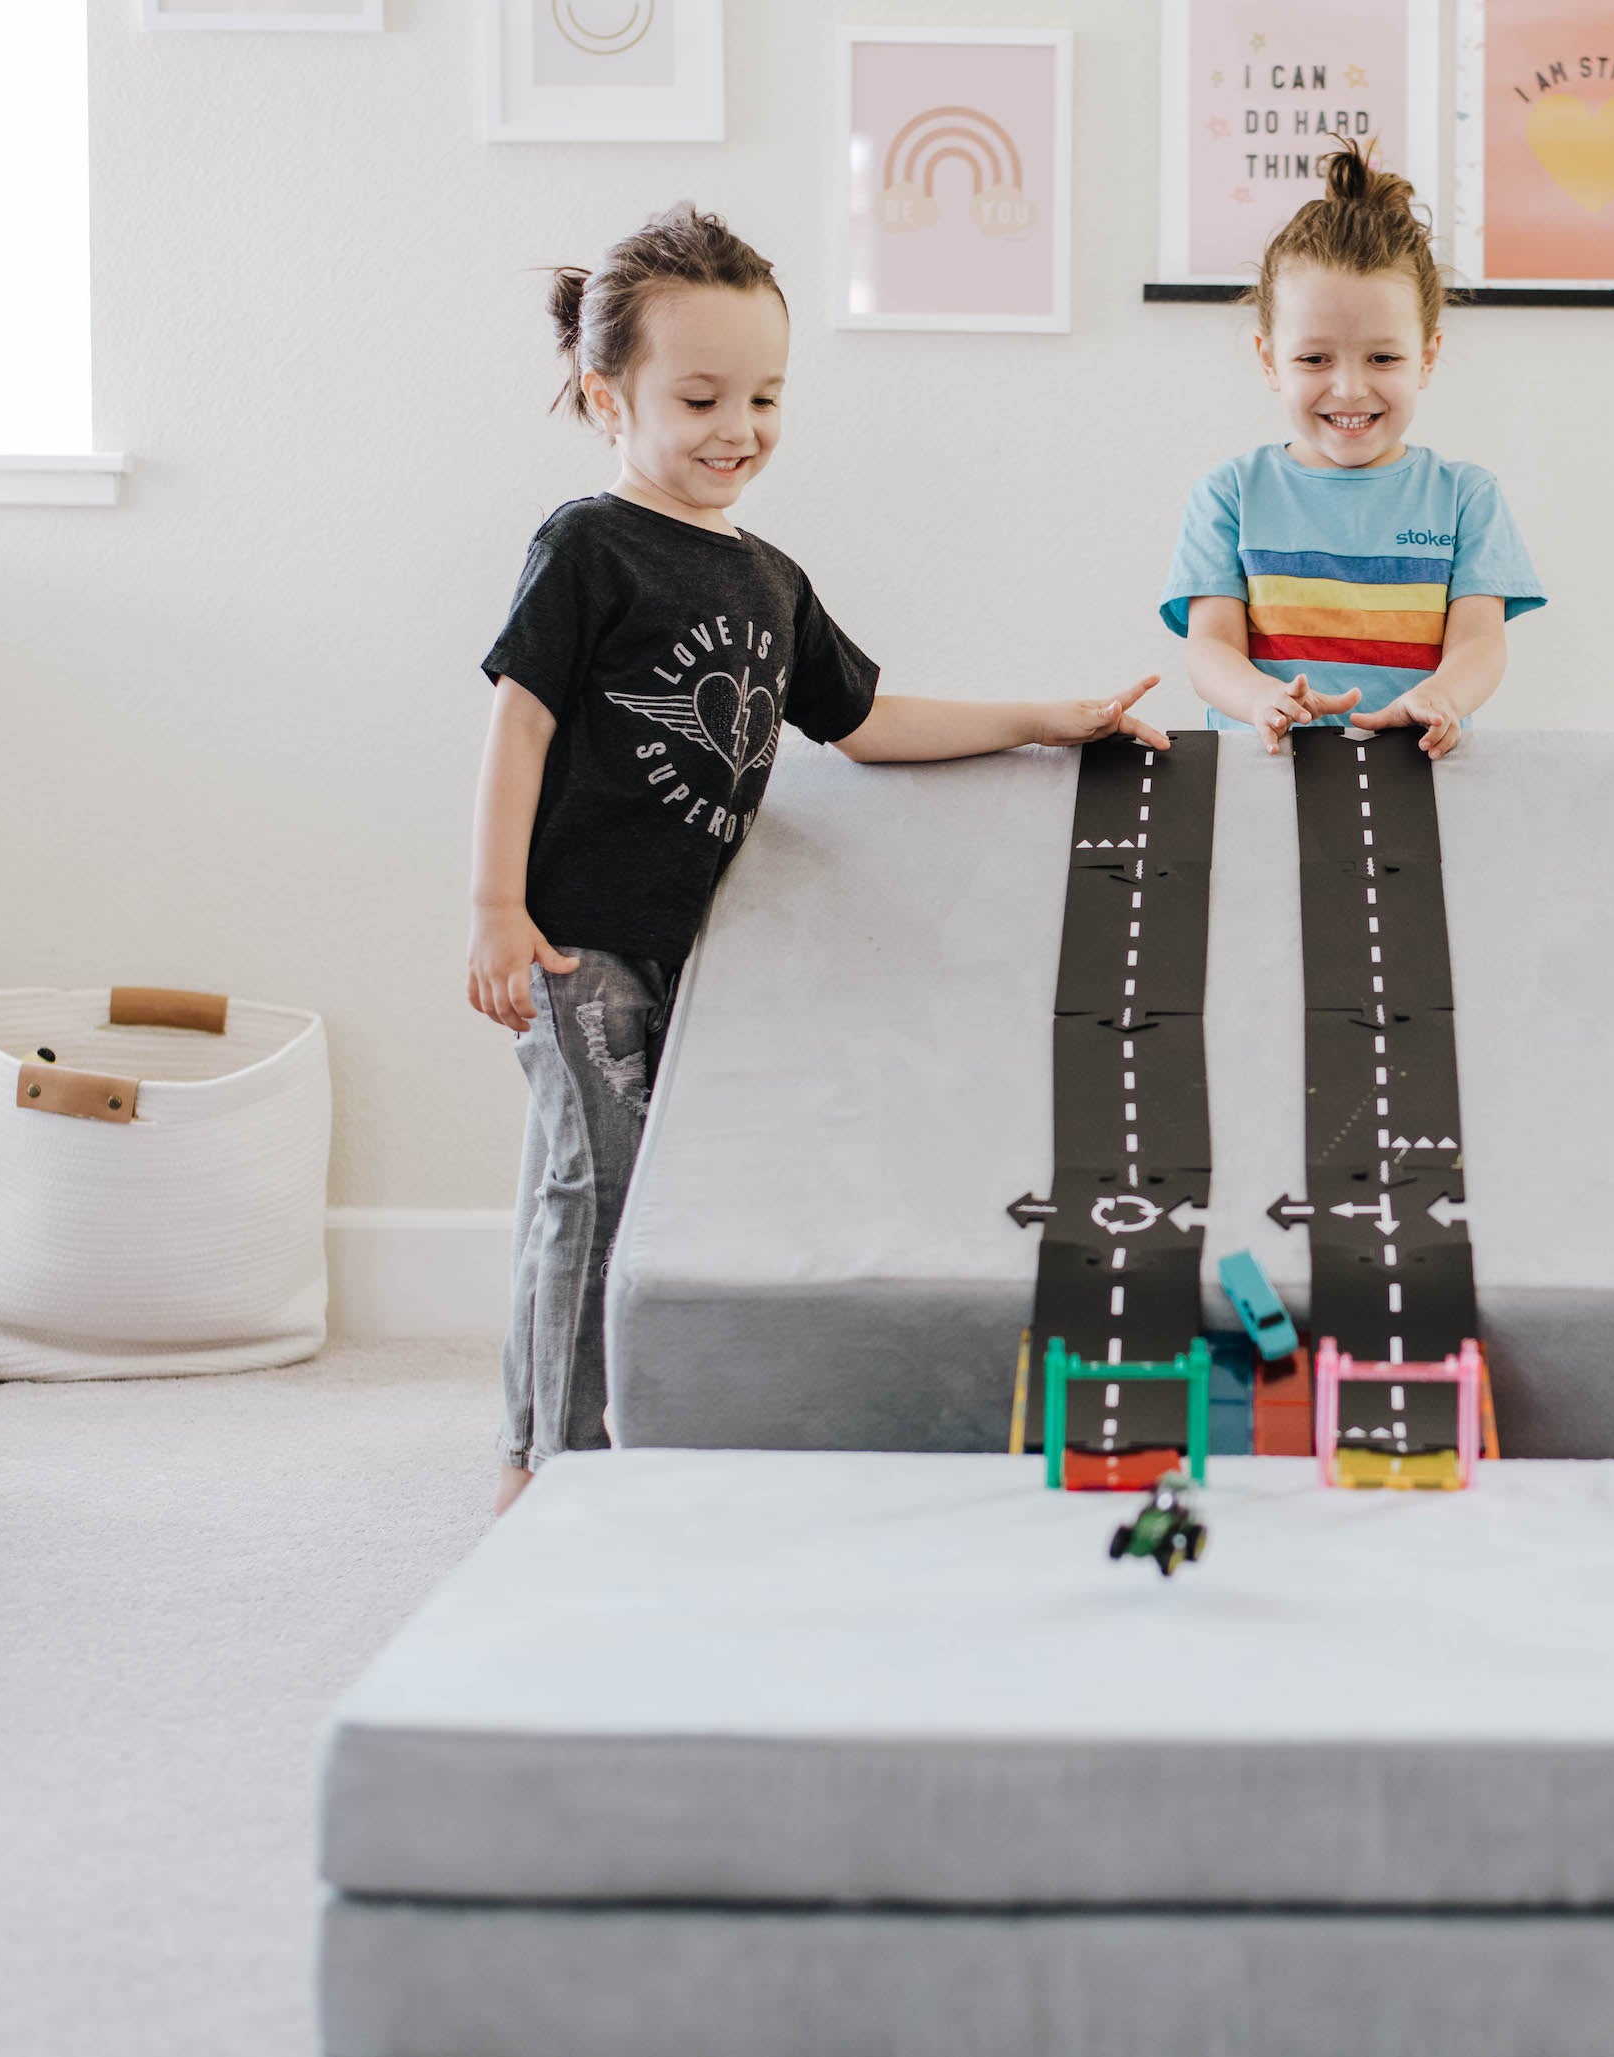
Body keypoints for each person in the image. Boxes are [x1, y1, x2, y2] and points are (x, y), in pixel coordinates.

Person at [470, 202, 1162, 1511]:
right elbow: (519, 721)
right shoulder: (589, 547)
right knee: (594, 1178)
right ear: (605, 392)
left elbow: (863, 722)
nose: (739, 430)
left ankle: (604, 1425)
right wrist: (496, 909)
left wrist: (1043, 719)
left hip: (695, 958)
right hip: (577, 939)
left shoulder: (768, 582)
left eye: (766, 398)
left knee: (632, 1185)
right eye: (701, 398)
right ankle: (547, 1464)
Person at [1160, 147, 1543, 759]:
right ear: (1268, 359)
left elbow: (1480, 644)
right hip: (1261, 775)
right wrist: (1263, 699)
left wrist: (1441, 697)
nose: (1350, 388)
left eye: (1383, 357)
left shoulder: (1466, 496)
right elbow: (1210, 648)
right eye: (1314, 358)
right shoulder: (1230, 494)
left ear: (1428, 356)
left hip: (1416, 781)